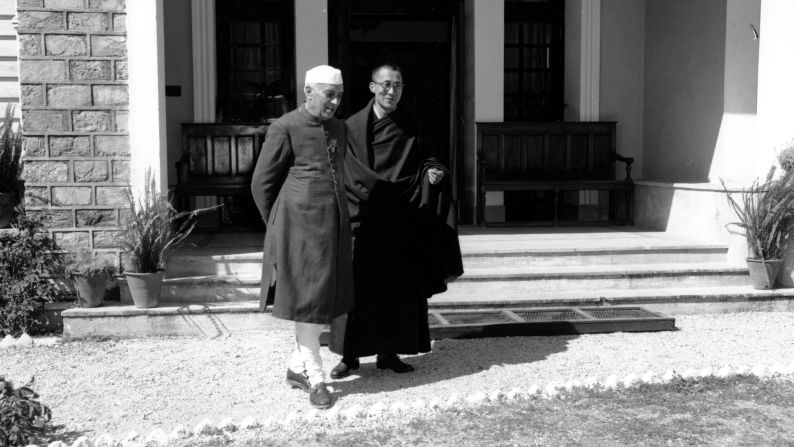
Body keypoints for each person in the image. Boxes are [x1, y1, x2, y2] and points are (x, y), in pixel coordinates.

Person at [329, 63, 463, 378]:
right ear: (372, 87)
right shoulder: (351, 126)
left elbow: (429, 158)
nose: (392, 91)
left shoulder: (412, 123)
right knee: (356, 292)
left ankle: (389, 354)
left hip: (401, 220)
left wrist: (433, 171)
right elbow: (345, 168)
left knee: (396, 290)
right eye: (386, 85)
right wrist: (373, 192)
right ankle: (349, 357)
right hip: (363, 217)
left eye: (398, 85)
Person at [250, 65, 353, 409]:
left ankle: (296, 367)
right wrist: (279, 225)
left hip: (333, 229)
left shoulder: (339, 127)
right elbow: (262, 183)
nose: (335, 102)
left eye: (339, 95)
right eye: (329, 95)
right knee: (309, 302)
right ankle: (316, 377)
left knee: (323, 300)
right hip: (298, 229)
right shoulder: (285, 127)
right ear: (308, 92)